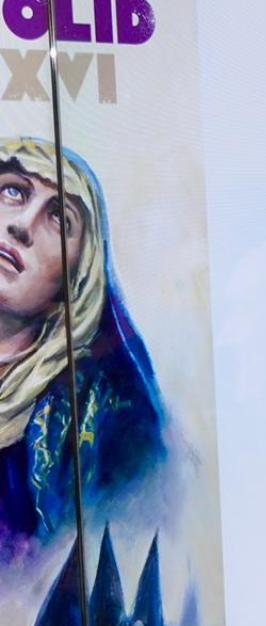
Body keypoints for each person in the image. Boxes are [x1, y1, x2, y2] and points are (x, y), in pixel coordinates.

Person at [0, 136, 165, 555]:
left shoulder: (107, 411)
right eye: (14, 192)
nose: (22, 226)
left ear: (75, 280)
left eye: (59, 218)